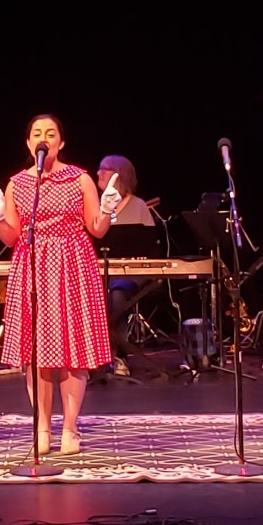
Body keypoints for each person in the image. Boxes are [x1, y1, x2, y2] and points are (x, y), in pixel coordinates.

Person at [0, 115, 122, 456]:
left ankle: (70, 429)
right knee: (37, 353)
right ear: (29, 143)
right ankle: (42, 427)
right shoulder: (17, 184)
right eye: (37, 133)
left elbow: (97, 228)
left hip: (73, 262)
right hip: (32, 265)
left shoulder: (80, 179)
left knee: (74, 351)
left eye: (51, 133)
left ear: (61, 142)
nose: (44, 138)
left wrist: (107, 210)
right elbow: (12, 237)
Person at [95, 154, 156, 377]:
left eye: (104, 169)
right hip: (100, 272)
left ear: (119, 174)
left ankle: (119, 353)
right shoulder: (96, 205)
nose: (98, 173)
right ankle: (93, 355)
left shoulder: (139, 206)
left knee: (117, 292)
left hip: (130, 274)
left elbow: (150, 250)